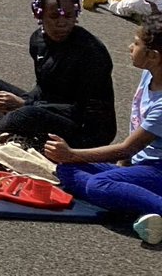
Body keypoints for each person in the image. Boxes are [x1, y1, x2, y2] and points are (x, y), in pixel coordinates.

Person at [46, 15, 162, 245]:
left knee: (98, 184)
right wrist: (71, 159)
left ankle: (155, 207)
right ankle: (143, 206)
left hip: (158, 170)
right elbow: (133, 138)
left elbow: (127, 148)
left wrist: (71, 153)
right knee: (66, 169)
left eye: (136, 43)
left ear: (154, 56)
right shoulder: (149, 74)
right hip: (144, 166)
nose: (130, 47)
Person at [0, 0, 116, 148]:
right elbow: (43, 88)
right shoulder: (38, 41)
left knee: (29, 114)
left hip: (84, 129)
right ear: (39, 14)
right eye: (54, 16)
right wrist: (24, 101)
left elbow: (84, 111)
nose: (62, 23)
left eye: (69, 16)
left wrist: (25, 104)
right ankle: (12, 119)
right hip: (46, 106)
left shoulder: (91, 53)